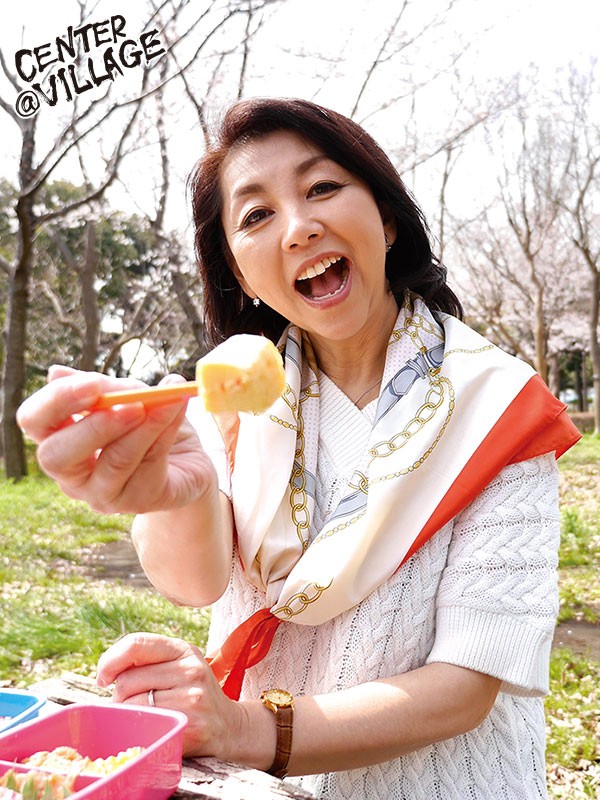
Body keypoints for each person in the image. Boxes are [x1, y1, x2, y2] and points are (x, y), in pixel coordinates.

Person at [17, 97, 580, 800]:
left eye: (322, 187)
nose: (298, 227)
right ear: (239, 273)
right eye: (256, 215)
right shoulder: (232, 400)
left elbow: (463, 688)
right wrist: (179, 492)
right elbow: (192, 583)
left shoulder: (497, 406)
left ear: (387, 219)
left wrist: (243, 728)